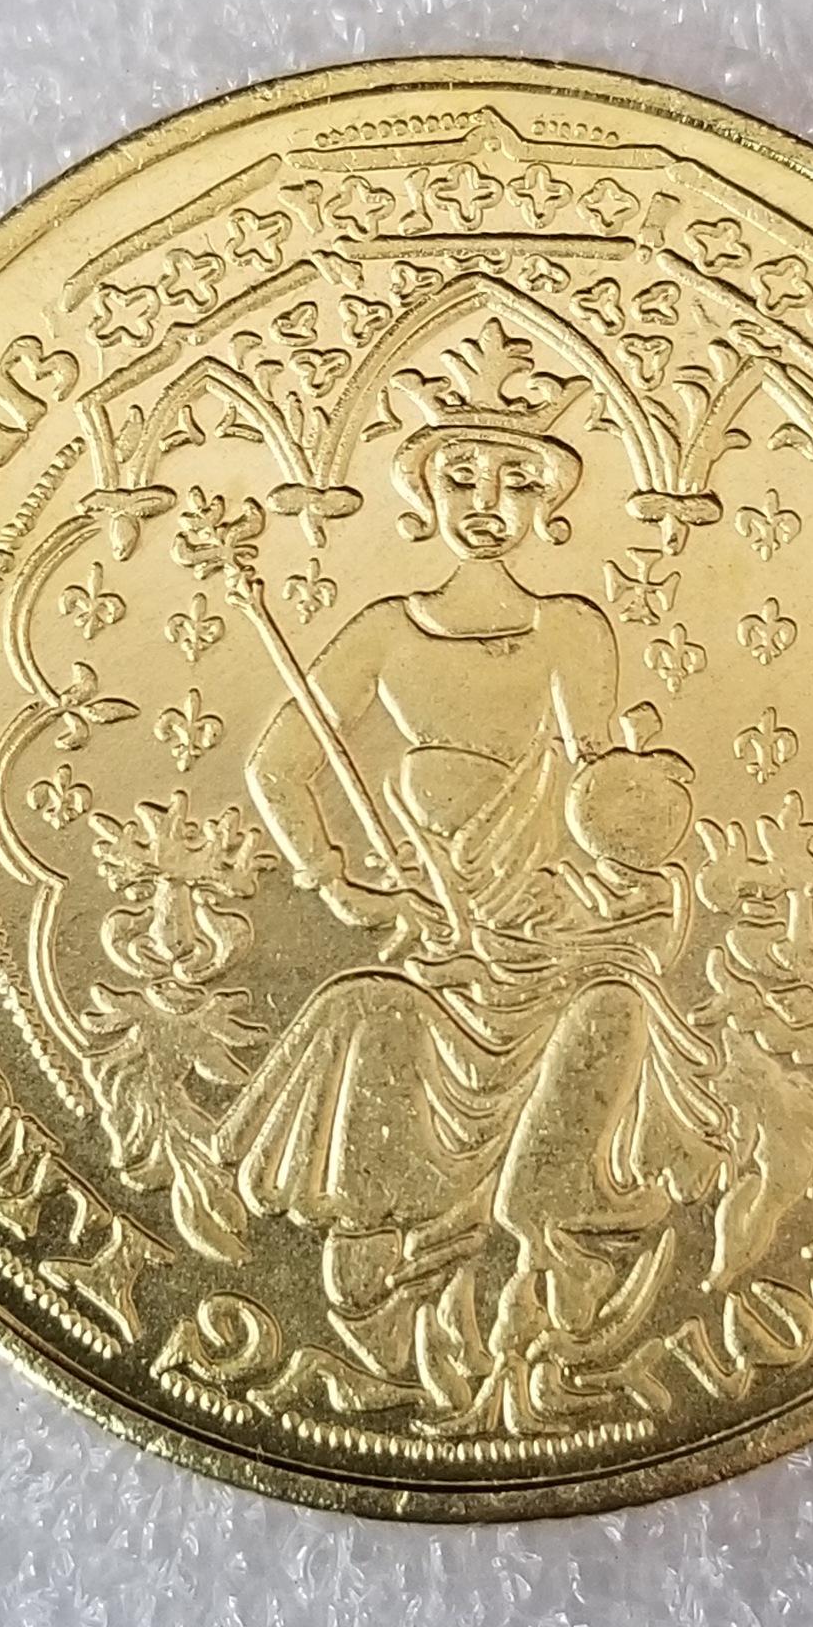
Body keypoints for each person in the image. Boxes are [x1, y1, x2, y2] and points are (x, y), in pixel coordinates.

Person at [215, 407, 745, 1431]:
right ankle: (418, 1326)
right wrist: (341, 886)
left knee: (605, 1034)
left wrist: (633, 868)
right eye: (462, 476)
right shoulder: (384, 632)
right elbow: (279, 764)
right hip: (437, 946)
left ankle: (544, 1327)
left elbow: (599, 799)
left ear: (551, 503)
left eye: (518, 480)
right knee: (370, 1017)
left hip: (559, 941)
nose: (489, 503)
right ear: (423, 496)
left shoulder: (572, 630)